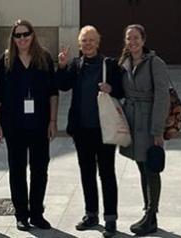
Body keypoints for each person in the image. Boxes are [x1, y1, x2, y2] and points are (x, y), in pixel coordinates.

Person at [56, 26, 125, 237]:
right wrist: (61, 66)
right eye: (84, 40)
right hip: (81, 129)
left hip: (104, 130)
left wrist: (111, 89)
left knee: (107, 173)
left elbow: (123, 90)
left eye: (91, 40)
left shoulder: (110, 65)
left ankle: (110, 218)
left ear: (98, 42)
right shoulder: (76, 65)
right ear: (79, 43)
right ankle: (91, 214)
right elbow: (63, 86)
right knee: (87, 173)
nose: (88, 44)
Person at [0, 19, 59, 231]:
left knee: (40, 169)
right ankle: (21, 214)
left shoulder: (44, 58)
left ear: (32, 35)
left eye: (25, 34)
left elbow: (53, 93)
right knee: (17, 170)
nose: (22, 39)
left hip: (39, 124)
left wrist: (53, 121)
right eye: (17, 35)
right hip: (14, 124)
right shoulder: (6, 60)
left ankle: (37, 213)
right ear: (13, 38)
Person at [118, 24, 171, 236]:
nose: (132, 42)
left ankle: (151, 215)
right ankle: (148, 212)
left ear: (143, 39)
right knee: (142, 166)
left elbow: (162, 97)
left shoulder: (155, 63)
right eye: (129, 38)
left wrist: (157, 130)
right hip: (132, 119)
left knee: (151, 168)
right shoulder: (125, 62)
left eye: (136, 38)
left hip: (148, 121)